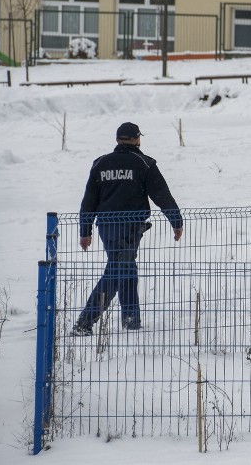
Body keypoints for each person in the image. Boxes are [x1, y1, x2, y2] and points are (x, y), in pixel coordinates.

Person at [72, 122, 183, 336]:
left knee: (125, 269)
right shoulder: (144, 163)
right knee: (118, 271)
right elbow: (162, 195)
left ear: (117, 139)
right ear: (136, 139)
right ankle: (84, 322)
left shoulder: (100, 164)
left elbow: (89, 201)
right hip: (131, 227)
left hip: (106, 226)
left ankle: (131, 322)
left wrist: (85, 230)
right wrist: (176, 221)